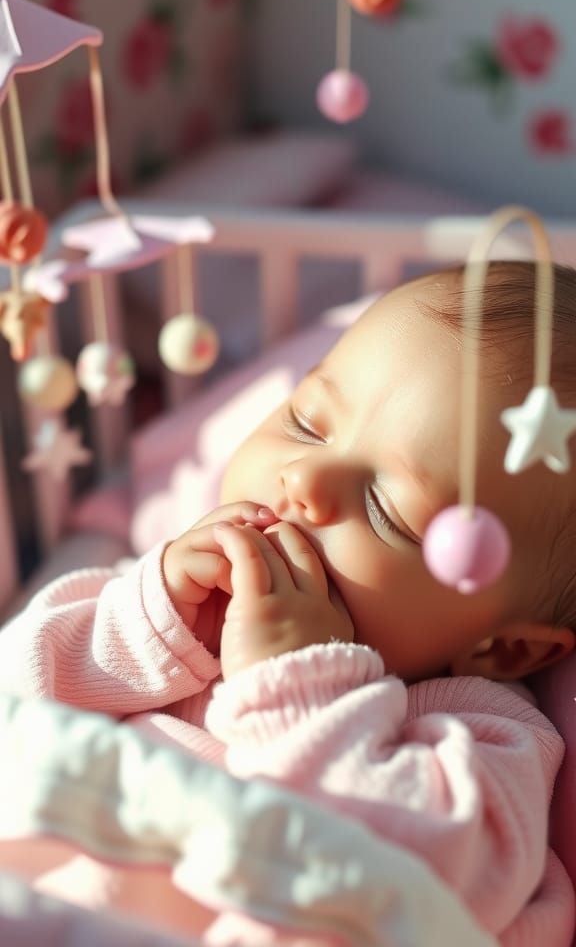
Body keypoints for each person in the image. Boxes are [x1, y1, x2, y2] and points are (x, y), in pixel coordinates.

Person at [1, 259, 575, 946]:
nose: (303, 478)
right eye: (307, 422)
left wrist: (304, 683)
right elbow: (16, 688)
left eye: (388, 511)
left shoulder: (486, 741)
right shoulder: (166, 604)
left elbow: (396, 892)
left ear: (503, 647)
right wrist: (150, 619)